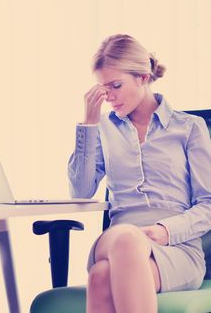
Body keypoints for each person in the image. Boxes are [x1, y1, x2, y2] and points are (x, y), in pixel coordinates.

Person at [68, 34, 211, 313]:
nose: (108, 96)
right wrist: (88, 124)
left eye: (116, 85)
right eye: (102, 88)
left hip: (177, 249)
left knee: (100, 277)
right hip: (118, 238)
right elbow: (80, 190)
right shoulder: (102, 129)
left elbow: (208, 204)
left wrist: (165, 231)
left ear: (143, 77)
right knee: (126, 238)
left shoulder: (190, 128)